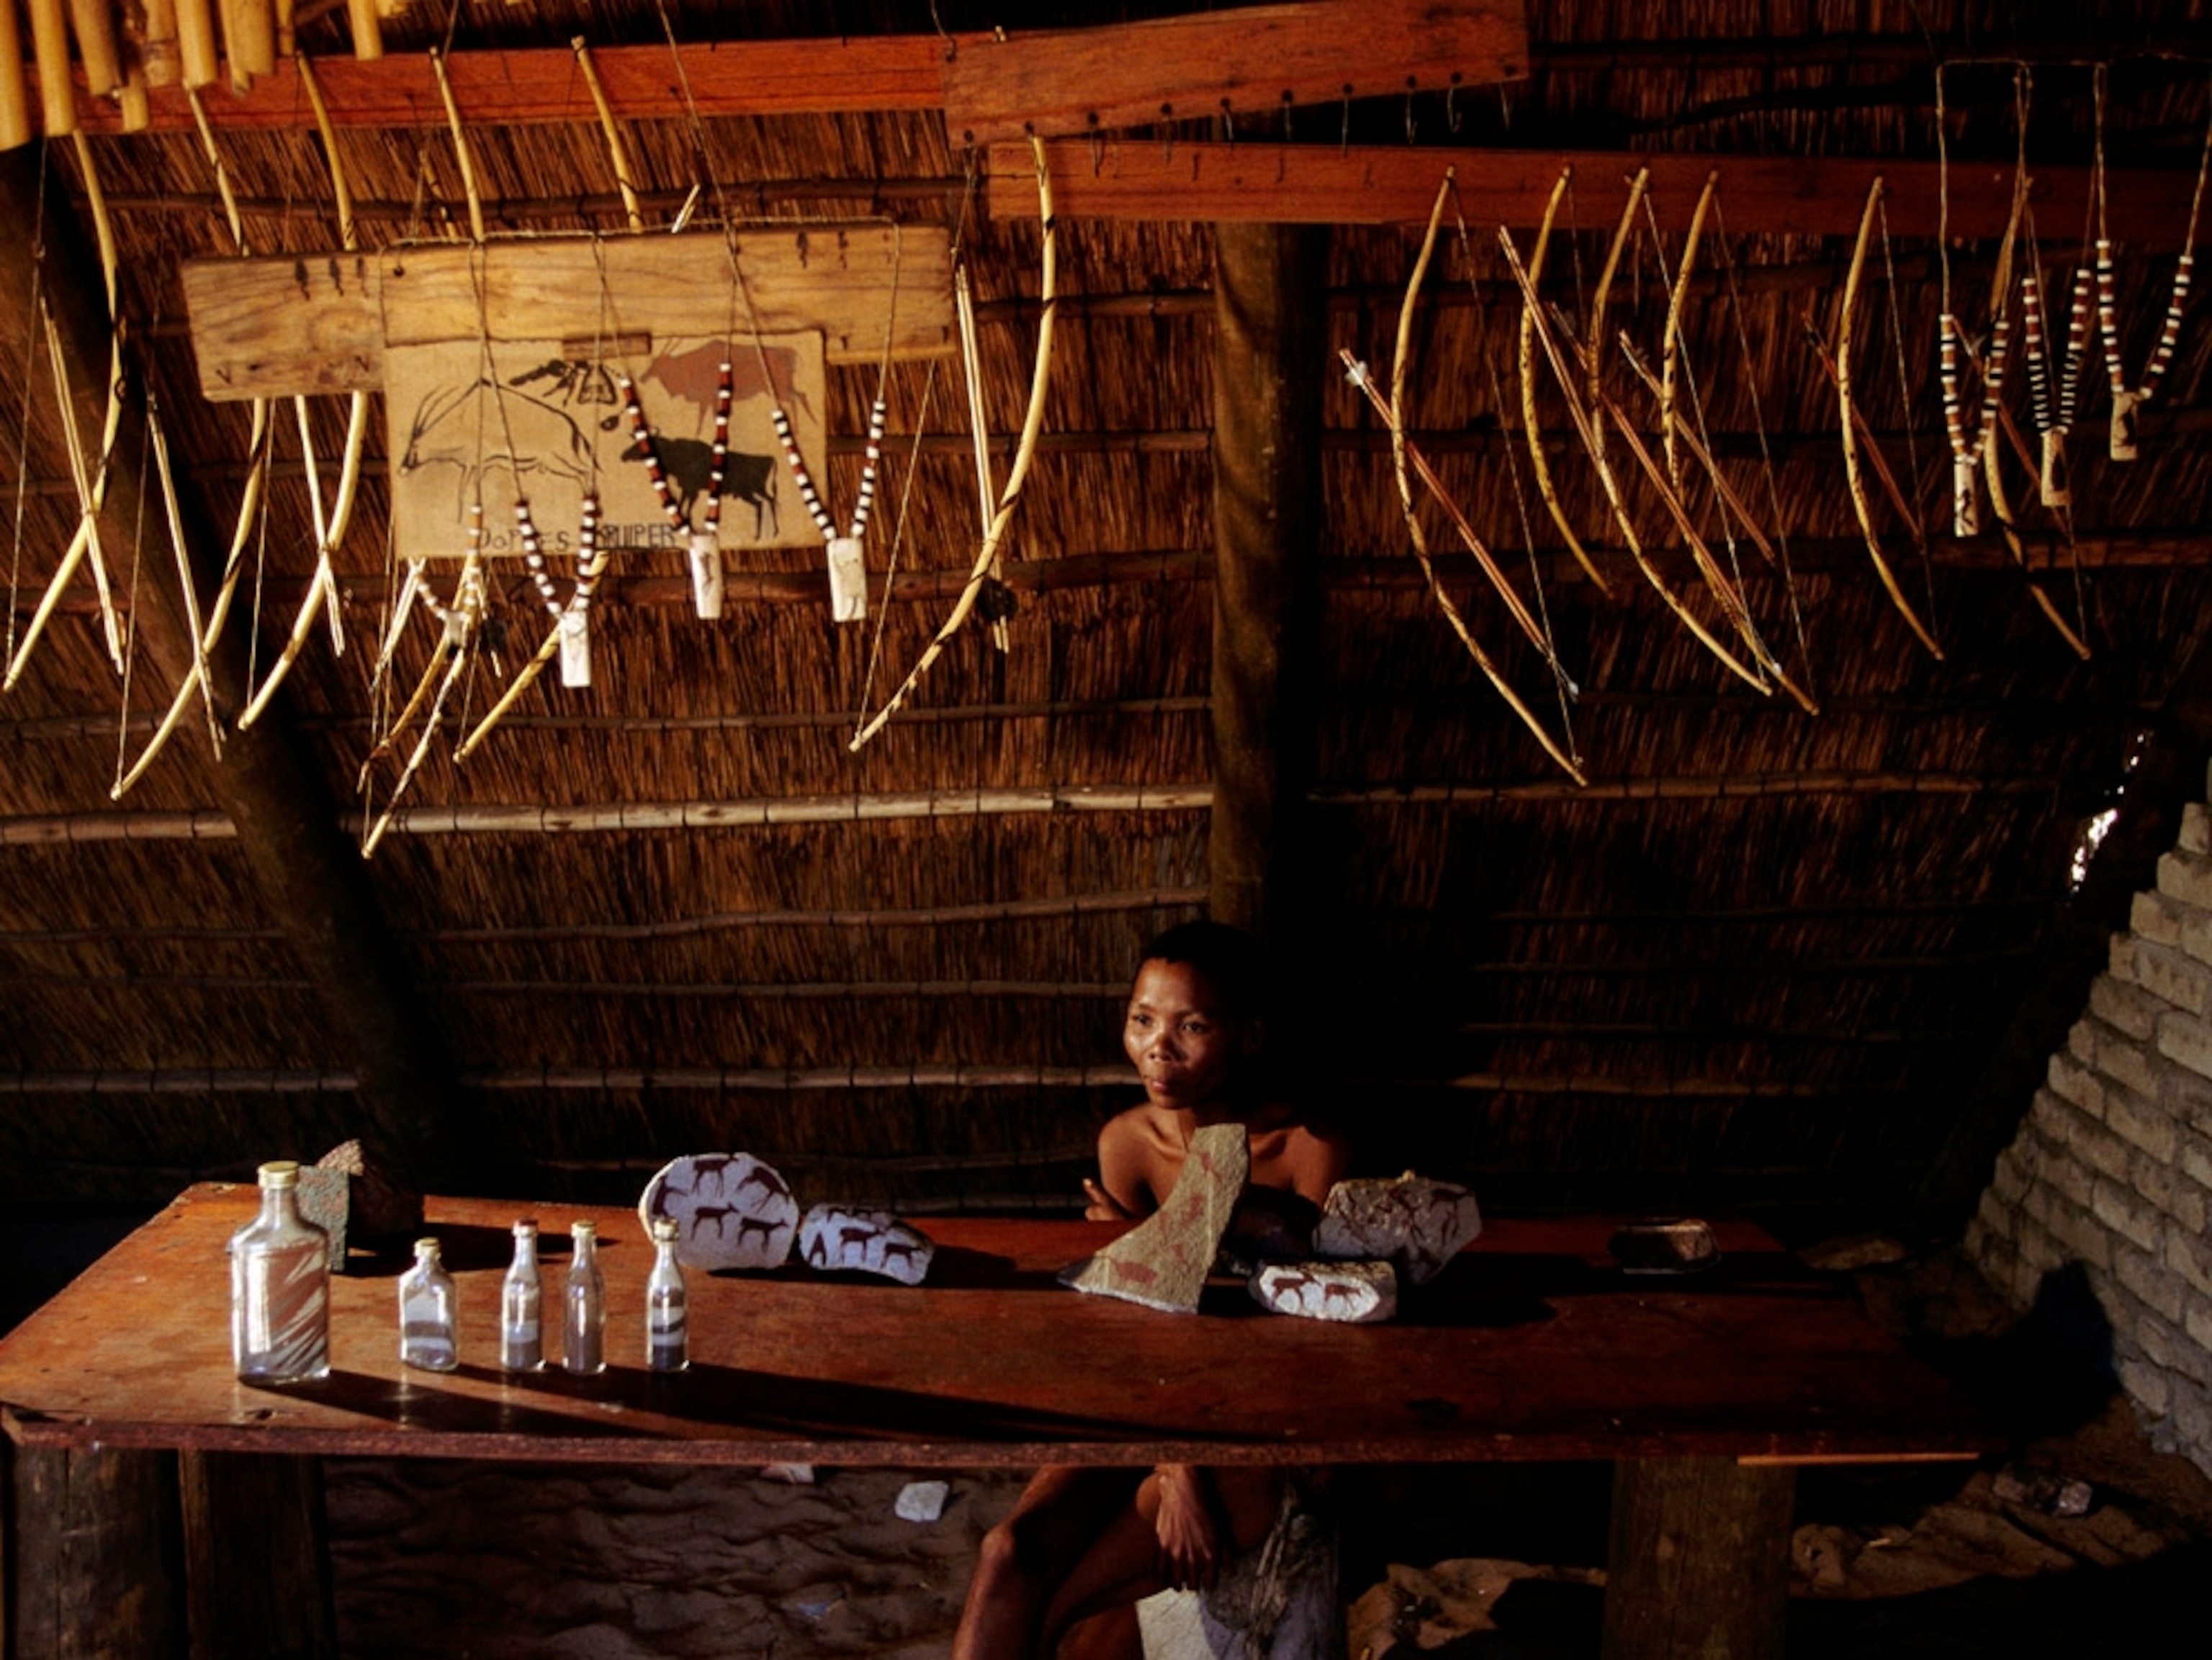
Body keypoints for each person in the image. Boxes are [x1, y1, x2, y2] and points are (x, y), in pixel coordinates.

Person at [953, 921, 1351, 1660]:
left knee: (1058, 1613)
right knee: (1008, 1553)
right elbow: (1131, 1333)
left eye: (1192, 1025)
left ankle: (1059, 1624)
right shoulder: (1129, 1144)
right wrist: (1173, 1464)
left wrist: (1191, 1465)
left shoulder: (1307, 1151)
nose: (1158, 1047)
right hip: (1147, 1411)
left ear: (1250, 1034)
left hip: (1260, 1431)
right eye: (1143, 1019)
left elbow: (1307, 1350)